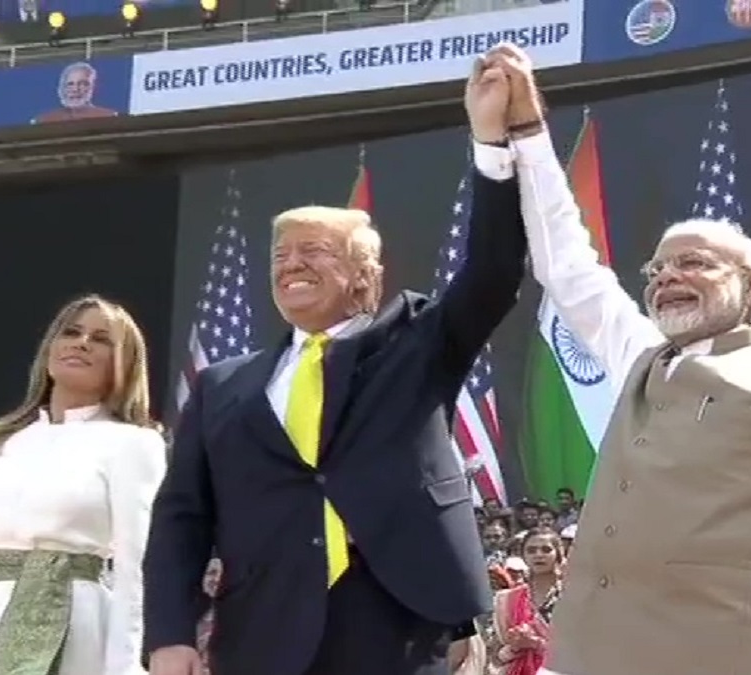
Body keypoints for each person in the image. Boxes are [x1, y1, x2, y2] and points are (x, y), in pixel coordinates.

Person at [480, 45, 751, 675]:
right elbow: (566, 266)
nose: (667, 277)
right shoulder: (642, 358)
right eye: (658, 267)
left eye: (695, 262)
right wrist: (526, 135)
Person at [143, 46, 528, 675]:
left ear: (364, 275)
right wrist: (170, 634)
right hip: (263, 629)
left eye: (314, 251)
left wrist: (489, 141)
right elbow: (182, 518)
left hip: (402, 620)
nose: (291, 264)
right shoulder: (222, 386)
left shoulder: (416, 343)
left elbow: (492, 271)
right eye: (280, 257)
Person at [0, 294, 167, 675]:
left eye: (100, 339)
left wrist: (124, 665)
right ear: (50, 347)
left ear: (125, 363)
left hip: (77, 621)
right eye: (72, 332)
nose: (81, 342)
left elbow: (135, 568)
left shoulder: (133, 444)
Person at [490, 528, 562, 675]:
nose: (538, 555)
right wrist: (515, 646)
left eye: (546, 549)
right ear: (523, 556)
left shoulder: (570, 596)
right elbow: (496, 655)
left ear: (558, 554)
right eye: (531, 550)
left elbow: (583, 650)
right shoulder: (508, 599)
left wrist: (536, 644)